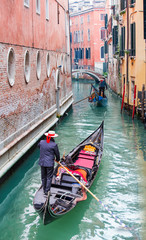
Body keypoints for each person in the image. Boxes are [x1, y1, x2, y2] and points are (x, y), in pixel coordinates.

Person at [38, 130, 60, 196]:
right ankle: (47, 191)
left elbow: (39, 147)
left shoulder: (41, 142)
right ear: (53, 137)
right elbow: (57, 154)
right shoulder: (54, 145)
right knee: (49, 177)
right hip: (50, 163)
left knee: (43, 176)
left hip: (42, 162)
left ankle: (44, 189)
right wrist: (58, 160)